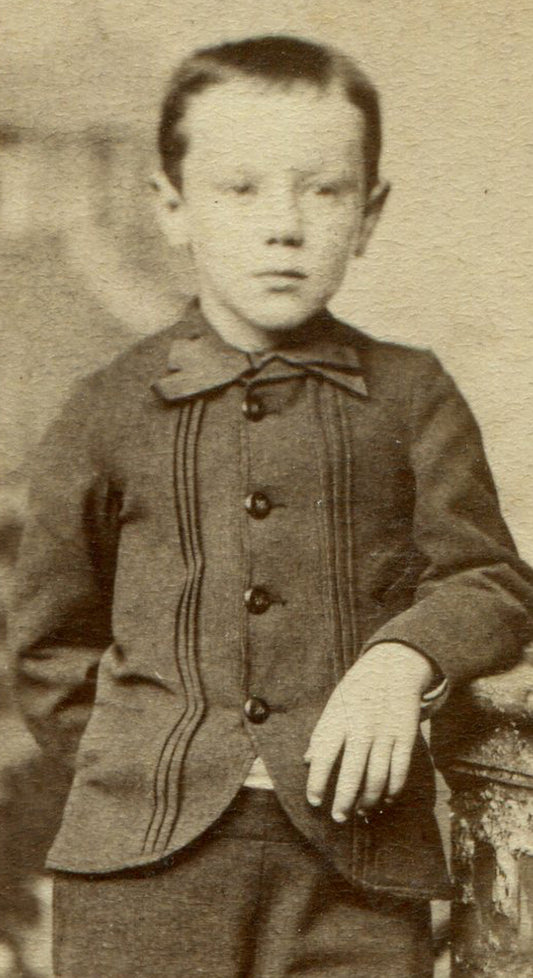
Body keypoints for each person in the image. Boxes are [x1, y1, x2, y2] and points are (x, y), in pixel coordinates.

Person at [10, 35, 533, 978]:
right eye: (239, 188)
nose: (283, 225)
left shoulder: (415, 395)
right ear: (172, 207)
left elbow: (490, 578)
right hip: (139, 875)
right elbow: (50, 649)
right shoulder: (103, 407)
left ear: (369, 214)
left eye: (323, 190)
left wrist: (401, 660)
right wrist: (150, 764)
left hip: (356, 870)